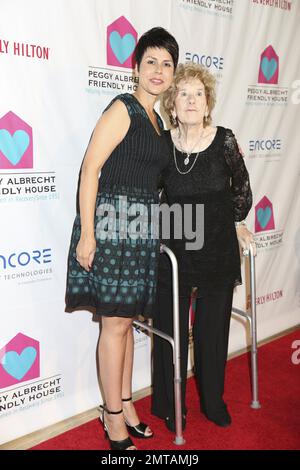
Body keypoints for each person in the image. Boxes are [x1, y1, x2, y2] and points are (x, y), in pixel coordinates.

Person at [65, 27, 179, 450]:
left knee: (126, 324)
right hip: (111, 228)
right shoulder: (123, 109)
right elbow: (90, 169)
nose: (158, 70)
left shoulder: (156, 120)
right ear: (135, 67)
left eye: (166, 64)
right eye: (151, 61)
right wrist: (88, 234)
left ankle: (127, 404)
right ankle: (111, 416)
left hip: (139, 230)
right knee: (114, 326)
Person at [152, 63, 255, 431]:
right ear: (172, 104)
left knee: (212, 334)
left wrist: (235, 223)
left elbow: (242, 193)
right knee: (170, 330)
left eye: (198, 94)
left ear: (208, 104)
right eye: (183, 93)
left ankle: (213, 401)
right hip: (175, 251)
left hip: (215, 249)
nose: (191, 100)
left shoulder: (224, 139)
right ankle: (170, 404)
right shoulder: (163, 146)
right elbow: (152, 197)